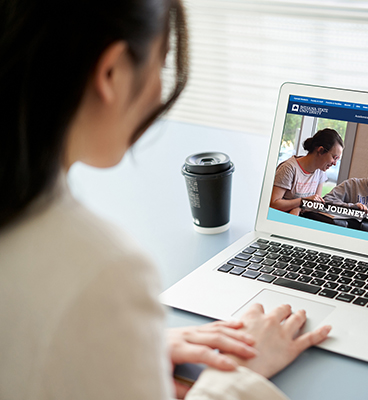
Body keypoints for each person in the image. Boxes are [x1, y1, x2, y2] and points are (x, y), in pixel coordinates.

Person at [0, 1, 330, 399]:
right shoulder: (104, 272)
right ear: (112, 72)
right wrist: (239, 373)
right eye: (162, 61)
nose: (160, 87)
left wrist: (121, 348)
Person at [270, 128, 343, 215]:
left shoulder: (320, 172)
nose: (335, 164)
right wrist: (302, 201)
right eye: (334, 158)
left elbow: (314, 205)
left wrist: (298, 209)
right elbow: (273, 204)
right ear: (320, 150)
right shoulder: (289, 169)